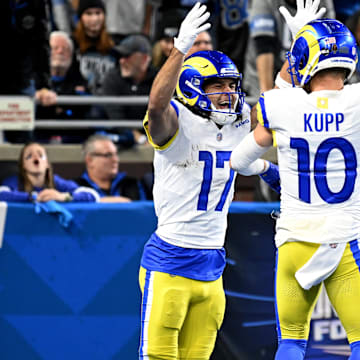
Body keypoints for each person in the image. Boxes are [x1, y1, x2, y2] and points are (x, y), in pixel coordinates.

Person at [137, 3, 279, 359]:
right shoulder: (176, 120)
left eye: (231, 85)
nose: (227, 93)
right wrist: (179, 48)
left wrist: (296, 44)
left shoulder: (238, 119)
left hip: (212, 265)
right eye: (216, 86)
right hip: (170, 261)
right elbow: (156, 105)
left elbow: (281, 101)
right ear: (193, 87)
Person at [230, 3, 360, 358]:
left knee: (291, 341)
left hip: (295, 240)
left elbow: (240, 161)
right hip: (344, 240)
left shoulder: (281, 104)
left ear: (305, 59)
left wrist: (268, 172)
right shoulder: (356, 102)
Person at [242, 0, 334, 97]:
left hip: (305, 74)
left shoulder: (322, 3)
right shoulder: (264, 2)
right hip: (265, 75)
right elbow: (264, 48)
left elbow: (327, 47)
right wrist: (267, 96)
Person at [35, 31, 94, 143]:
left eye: (65, 49)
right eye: (55, 48)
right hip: (39, 136)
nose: (60, 51)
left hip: (72, 137)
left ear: (72, 56)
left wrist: (53, 100)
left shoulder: (80, 80)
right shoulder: (33, 79)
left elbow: (85, 105)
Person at [101, 34, 157, 146]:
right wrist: (141, 139)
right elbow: (116, 117)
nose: (121, 61)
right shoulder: (112, 78)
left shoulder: (159, 79)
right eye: (120, 57)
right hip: (123, 141)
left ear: (145, 59)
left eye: (127, 56)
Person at [0, 142, 99, 202]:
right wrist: (32, 197)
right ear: (23, 165)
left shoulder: (56, 181)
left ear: (47, 163)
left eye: (40, 155)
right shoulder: (15, 181)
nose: (36, 158)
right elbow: (2, 194)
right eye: (29, 156)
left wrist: (63, 197)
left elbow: (93, 195)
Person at [74, 134, 149, 201]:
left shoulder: (131, 184)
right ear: (89, 160)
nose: (115, 160)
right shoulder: (76, 187)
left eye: (115, 154)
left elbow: (141, 211)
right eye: (108, 155)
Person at [72, 0, 117, 94]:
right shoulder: (72, 44)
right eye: (88, 13)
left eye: (98, 13)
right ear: (81, 17)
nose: (94, 18)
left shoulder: (114, 45)